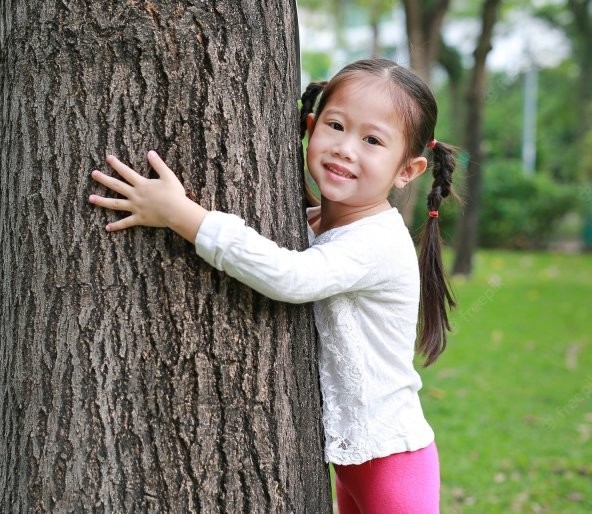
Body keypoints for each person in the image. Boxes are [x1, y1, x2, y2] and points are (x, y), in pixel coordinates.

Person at [88, 58, 456, 514]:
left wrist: (180, 214)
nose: (345, 148)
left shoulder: (376, 241)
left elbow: (290, 277)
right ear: (310, 124)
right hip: (354, 458)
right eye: (335, 125)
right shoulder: (312, 225)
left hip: (392, 463)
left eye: (373, 140)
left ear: (408, 171)